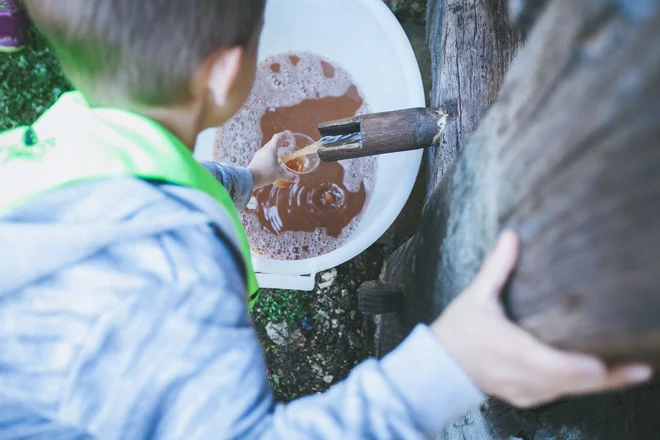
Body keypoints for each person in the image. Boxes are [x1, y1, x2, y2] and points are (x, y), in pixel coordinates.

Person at [0, 1, 652, 439]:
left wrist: (249, 180)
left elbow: (135, 182)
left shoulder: (52, 149)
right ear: (227, 71)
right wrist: (451, 364)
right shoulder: (177, 285)